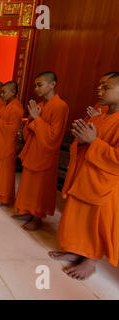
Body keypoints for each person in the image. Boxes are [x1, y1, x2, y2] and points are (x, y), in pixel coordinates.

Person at [49, 72, 119, 280]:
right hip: (83, 177)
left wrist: (93, 142)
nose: (100, 90)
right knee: (77, 218)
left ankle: (90, 260)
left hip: (103, 185)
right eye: (100, 86)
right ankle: (75, 251)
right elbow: (82, 144)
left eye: (106, 87)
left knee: (94, 222)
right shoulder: (99, 115)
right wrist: (82, 140)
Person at [13, 72, 69, 231]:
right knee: (29, 185)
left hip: (46, 154)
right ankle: (28, 211)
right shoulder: (41, 105)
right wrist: (32, 119)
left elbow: (53, 136)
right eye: (35, 85)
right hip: (33, 151)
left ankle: (37, 217)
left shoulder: (60, 106)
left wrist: (36, 119)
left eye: (40, 85)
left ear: (52, 84)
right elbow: (29, 130)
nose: (36, 88)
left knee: (40, 188)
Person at [0, 81, 24, 208]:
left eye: (4, 92)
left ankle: (2, 197)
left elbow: (12, 129)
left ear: (13, 93)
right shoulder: (5, 106)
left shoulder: (16, 108)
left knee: (3, 172)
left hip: (6, 145)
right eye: (1, 92)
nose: (2, 94)